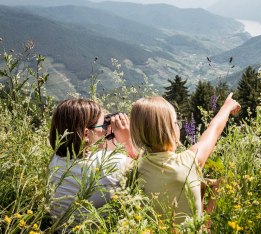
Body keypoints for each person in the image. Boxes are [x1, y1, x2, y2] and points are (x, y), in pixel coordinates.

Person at [131, 93, 240, 224]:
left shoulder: (136, 168)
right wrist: (227, 107)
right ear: (169, 128)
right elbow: (214, 129)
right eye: (176, 122)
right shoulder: (187, 162)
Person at [48, 98, 137, 227]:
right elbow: (143, 170)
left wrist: (100, 131)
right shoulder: (113, 163)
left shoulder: (55, 159)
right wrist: (126, 141)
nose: (105, 129)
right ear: (85, 134)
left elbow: (85, 153)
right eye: (103, 126)